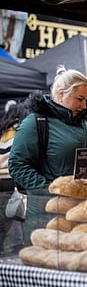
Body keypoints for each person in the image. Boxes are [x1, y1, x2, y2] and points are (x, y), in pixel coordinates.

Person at [8, 67, 87, 242]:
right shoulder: (36, 123)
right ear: (61, 94)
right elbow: (18, 165)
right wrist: (52, 192)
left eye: (86, 100)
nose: (84, 105)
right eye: (79, 99)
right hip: (48, 217)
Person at [0, 100, 30, 256]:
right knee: (14, 217)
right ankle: (15, 249)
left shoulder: (3, 132)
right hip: (10, 181)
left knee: (2, 222)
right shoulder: (21, 131)